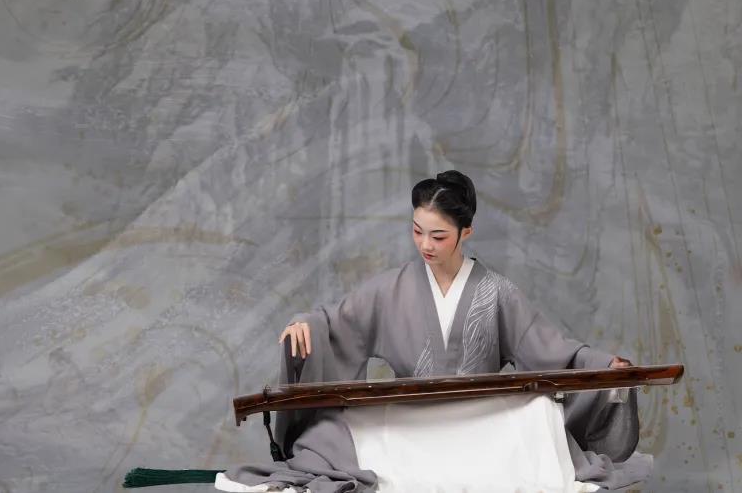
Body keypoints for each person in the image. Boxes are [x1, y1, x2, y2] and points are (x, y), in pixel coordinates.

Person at [220, 170, 646, 493]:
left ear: (466, 232)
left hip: (481, 417)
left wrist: (603, 366)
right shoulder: (392, 287)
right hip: (412, 415)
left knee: (537, 411)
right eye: (417, 231)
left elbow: (552, 348)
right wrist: (305, 323)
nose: (425, 244)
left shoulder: (497, 292)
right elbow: (336, 323)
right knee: (340, 431)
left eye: (438, 236)